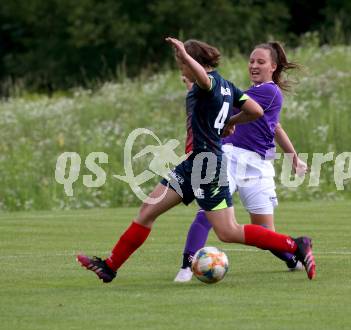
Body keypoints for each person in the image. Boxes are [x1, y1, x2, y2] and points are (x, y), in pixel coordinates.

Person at [76, 37, 316, 283]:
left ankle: (295, 245)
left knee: (227, 231)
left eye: (180, 61)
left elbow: (208, 82)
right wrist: (227, 124)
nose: (179, 65)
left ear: (191, 61)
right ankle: (110, 266)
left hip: (210, 166)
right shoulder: (228, 87)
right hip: (193, 163)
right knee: (147, 210)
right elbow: (254, 111)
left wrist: (185, 56)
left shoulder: (209, 82)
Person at [174, 42, 309, 282]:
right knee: (207, 213)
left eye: (261, 62)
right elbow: (275, 126)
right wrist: (294, 157)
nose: (254, 65)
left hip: (258, 168)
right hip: (230, 157)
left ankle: (292, 256)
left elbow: (225, 103)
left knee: (265, 233)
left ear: (273, 67)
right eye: (251, 61)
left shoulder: (269, 92)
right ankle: (186, 266)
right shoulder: (255, 92)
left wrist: (216, 109)